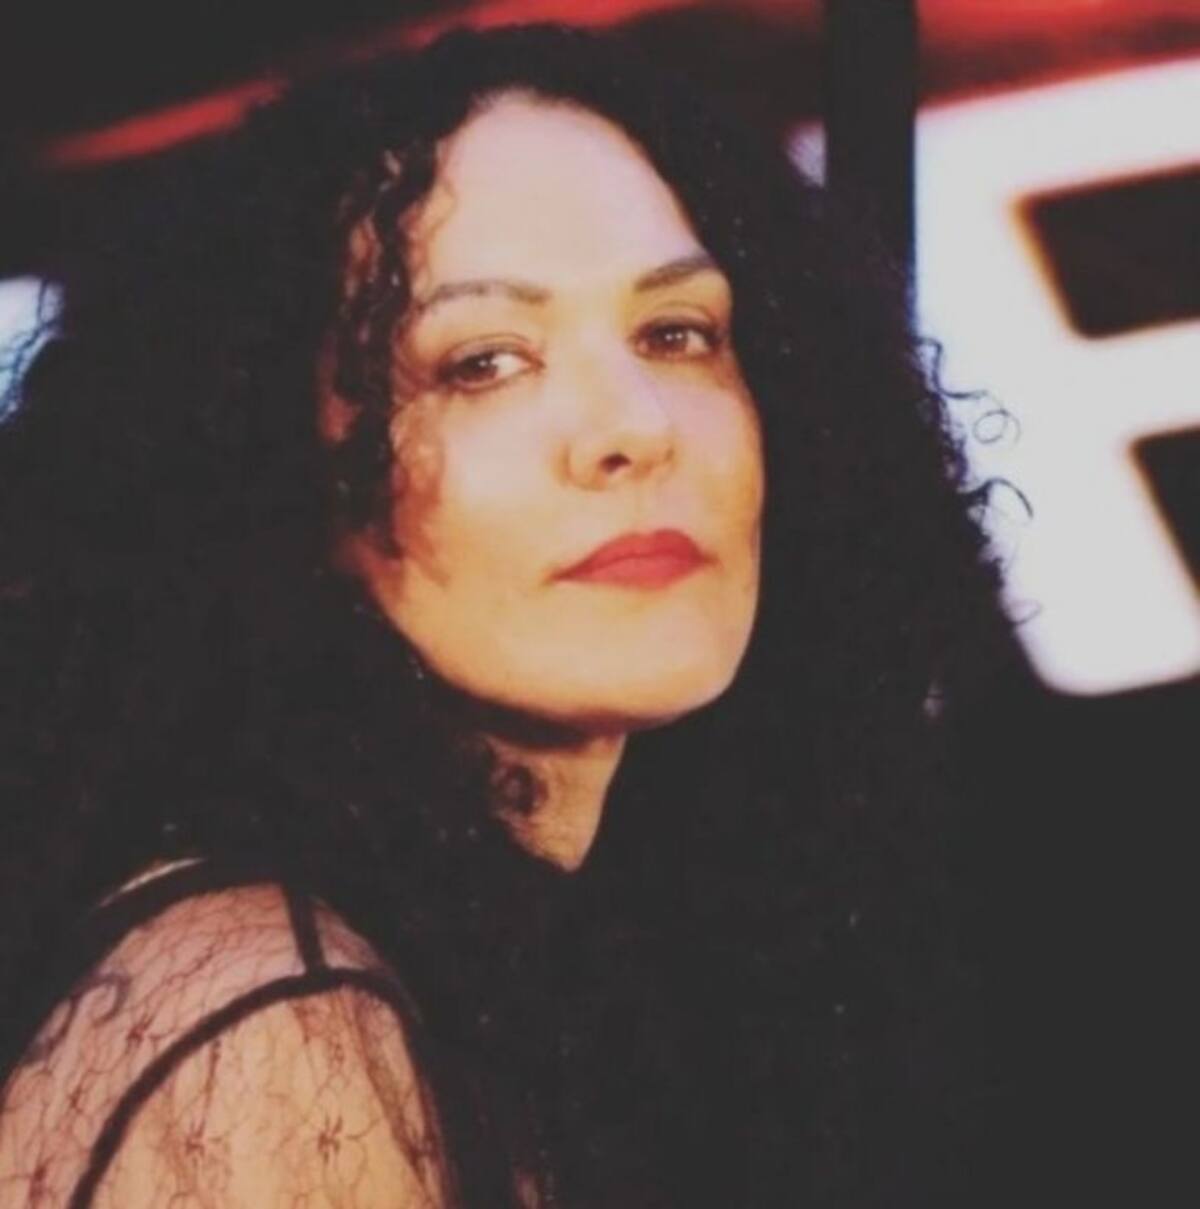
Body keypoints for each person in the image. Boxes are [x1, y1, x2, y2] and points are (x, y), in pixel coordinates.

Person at [0, 22, 1001, 1208]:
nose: (634, 427)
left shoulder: (537, 964)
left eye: (677, 333)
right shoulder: (278, 1024)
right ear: (271, 473)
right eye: (483, 362)